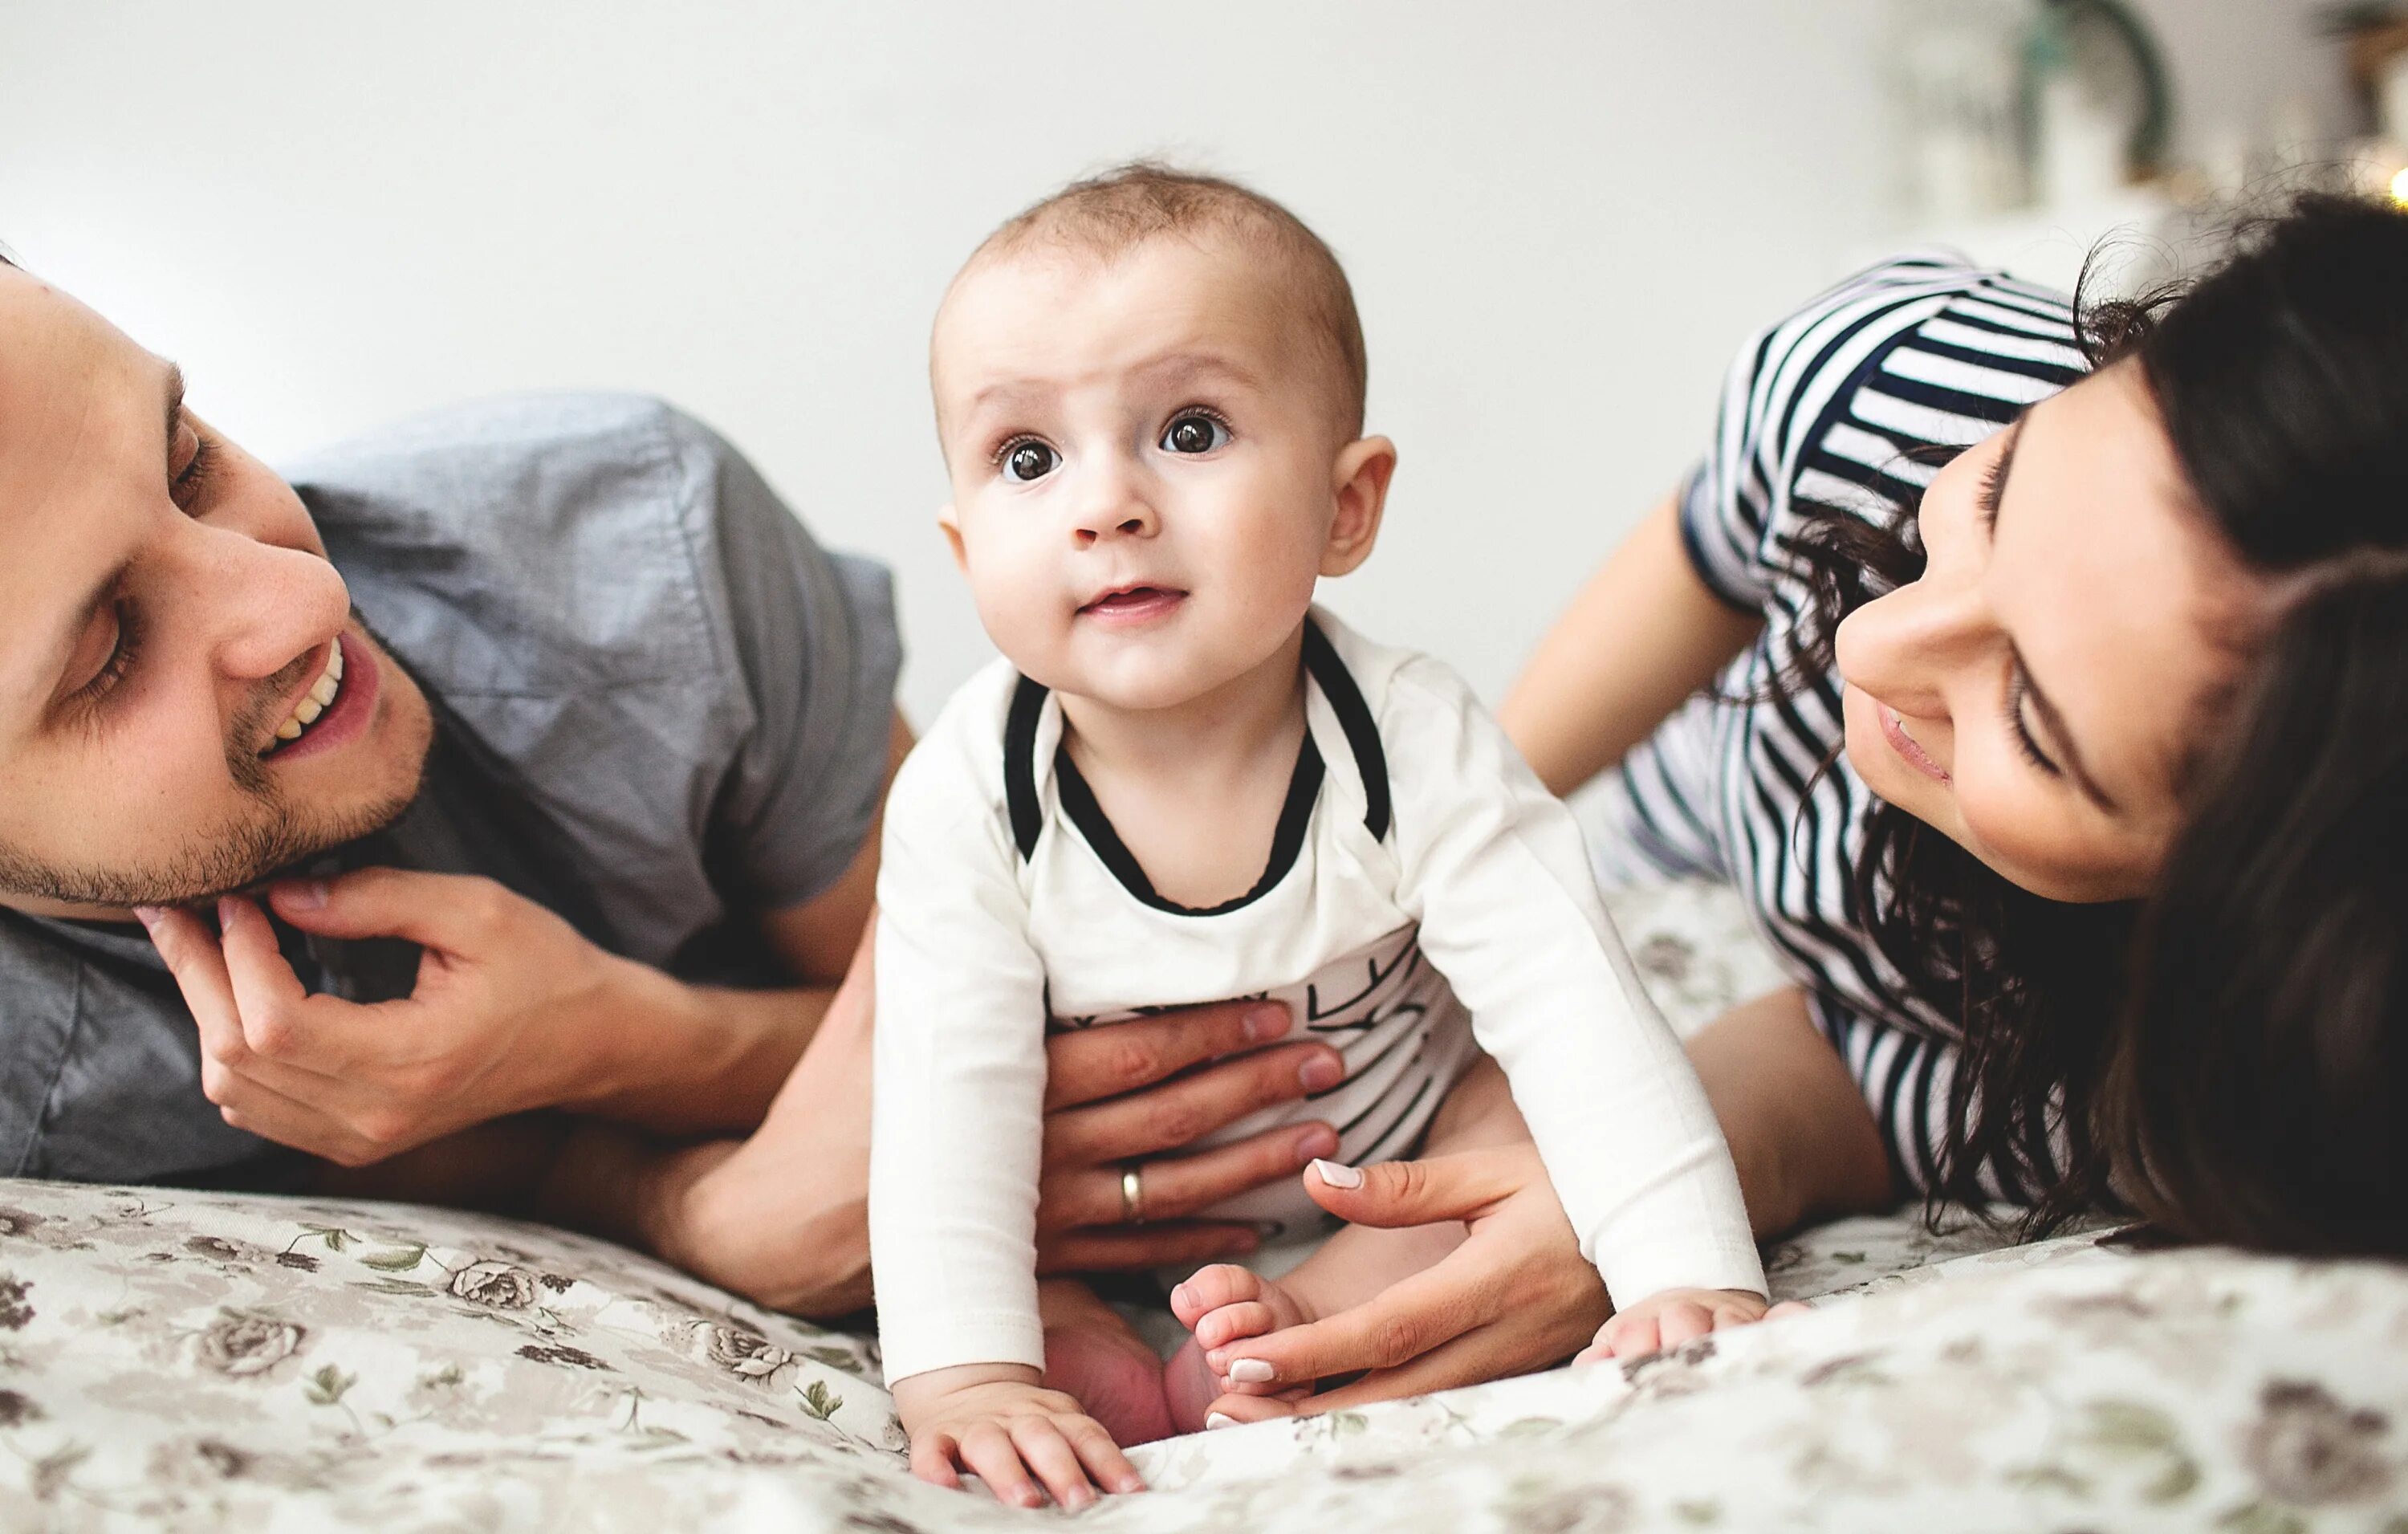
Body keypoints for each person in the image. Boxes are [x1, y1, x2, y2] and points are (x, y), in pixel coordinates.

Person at [1181, 193, 2408, 1426]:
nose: (1872, 646)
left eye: (2032, 726)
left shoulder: (2154, 1090)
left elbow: (1853, 1078)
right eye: (1992, 501)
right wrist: (1413, 873)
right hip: (1682, 818)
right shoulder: (1894, 390)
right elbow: (1705, 557)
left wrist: (1644, 1191)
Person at [0, 250, 1358, 1316]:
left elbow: (1070, 1023)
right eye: (111, 649)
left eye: (191, 461)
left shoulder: (635, 556)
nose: (303, 595)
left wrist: (615, 1040)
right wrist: (680, 1209)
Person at [867, 165, 1766, 1507]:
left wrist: (1691, 1278)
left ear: (1347, 506)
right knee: (999, 1243)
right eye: (1029, 458)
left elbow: (1574, 1001)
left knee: (1526, 1130)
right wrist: (965, 1374)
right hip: (1117, 1221)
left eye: (1188, 429)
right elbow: (947, 1104)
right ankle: (1105, 1341)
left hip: (1382, 1168)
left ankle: (1306, 1329)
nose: (1102, 504)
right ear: (962, 548)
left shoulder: (1409, 738)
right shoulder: (968, 797)